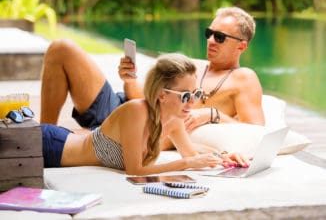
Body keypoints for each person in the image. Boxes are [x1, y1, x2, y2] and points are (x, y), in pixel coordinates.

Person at [40, 6, 264, 133]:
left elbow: (256, 131)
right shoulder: (194, 66)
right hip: (123, 107)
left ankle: (44, 141)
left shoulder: (243, 79)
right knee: (61, 48)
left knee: (62, 48)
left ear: (241, 46)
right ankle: (42, 136)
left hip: (138, 127)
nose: (211, 41)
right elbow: (145, 98)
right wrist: (129, 79)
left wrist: (212, 114)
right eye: (209, 33)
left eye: (220, 37)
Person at [41, 53, 249, 175]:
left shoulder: (174, 120)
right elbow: (134, 170)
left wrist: (222, 156)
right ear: (161, 95)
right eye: (186, 96)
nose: (193, 102)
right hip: (51, 147)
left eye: (195, 94)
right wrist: (186, 164)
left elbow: (192, 155)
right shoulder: (136, 111)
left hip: (59, 145)